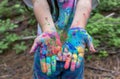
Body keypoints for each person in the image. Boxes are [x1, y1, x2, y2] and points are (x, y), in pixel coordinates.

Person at [23, 0, 98, 79]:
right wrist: (48, 30)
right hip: (46, 50)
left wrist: (78, 27)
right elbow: (39, 2)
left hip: (74, 52)